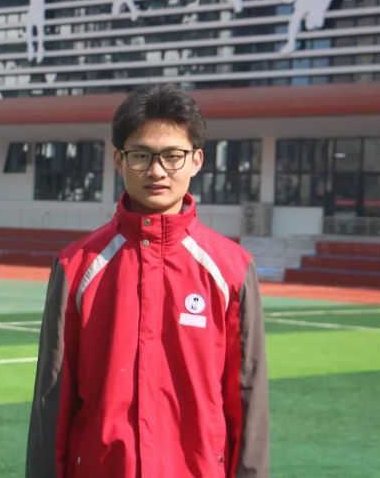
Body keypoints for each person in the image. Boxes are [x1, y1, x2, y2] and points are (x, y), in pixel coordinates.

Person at [26, 84, 269, 477]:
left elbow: (248, 397)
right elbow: (52, 400)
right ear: (118, 160)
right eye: (141, 155)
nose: (156, 171)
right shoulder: (77, 266)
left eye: (173, 156)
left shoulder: (231, 268)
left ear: (196, 160)